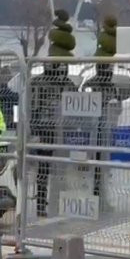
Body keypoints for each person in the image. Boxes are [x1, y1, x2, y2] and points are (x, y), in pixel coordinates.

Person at [29, 63, 79, 217]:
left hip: (62, 132)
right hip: (45, 131)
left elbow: (75, 107)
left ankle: (56, 203)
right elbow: (32, 109)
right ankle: (41, 205)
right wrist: (35, 131)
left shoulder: (67, 84)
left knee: (60, 171)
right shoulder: (38, 83)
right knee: (44, 170)